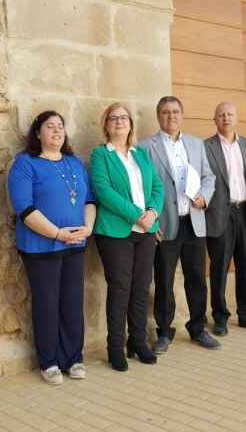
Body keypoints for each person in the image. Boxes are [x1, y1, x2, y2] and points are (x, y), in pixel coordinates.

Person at [8, 111, 96, 385]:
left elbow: (89, 200)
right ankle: (49, 362)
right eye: (50, 126)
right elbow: (24, 207)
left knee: (72, 302)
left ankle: (73, 357)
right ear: (38, 133)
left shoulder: (74, 163)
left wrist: (88, 228)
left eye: (60, 126)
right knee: (47, 304)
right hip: (40, 247)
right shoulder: (25, 164)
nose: (57, 131)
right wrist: (57, 233)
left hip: (75, 244)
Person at [138, 96, 220, 353]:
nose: (170, 116)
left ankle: (198, 328)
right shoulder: (145, 147)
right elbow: (141, 188)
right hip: (165, 225)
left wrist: (204, 196)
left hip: (194, 222)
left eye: (175, 112)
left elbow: (209, 177)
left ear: (182, 115)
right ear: (158, 116)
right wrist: (151, 222)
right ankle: (164, 332)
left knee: (197, 279)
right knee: (164, 280)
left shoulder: (196, 144)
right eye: (164, 112)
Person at [90, 102, 164, 372]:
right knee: (120, 288)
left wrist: (153, 212)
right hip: (115, 232)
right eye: (113, 118)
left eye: (124, 117)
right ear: (106, 125)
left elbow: (157, 186)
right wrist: (138, 215)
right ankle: (114, 348)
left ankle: (138, 341)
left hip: (145, 232)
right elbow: (104, 192)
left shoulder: (141, 155)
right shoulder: (101, 155)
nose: (119, 122)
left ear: (131, 124)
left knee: (142, 287)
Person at [203, 102, 246, 336]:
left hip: (245, 214)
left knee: (245, 266)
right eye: (221, 115)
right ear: (214, 120)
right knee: (219, 268)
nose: (226, 118)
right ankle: (220, 317)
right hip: (219, 214)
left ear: (237, 118)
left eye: (230, 114)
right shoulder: (205, 147)